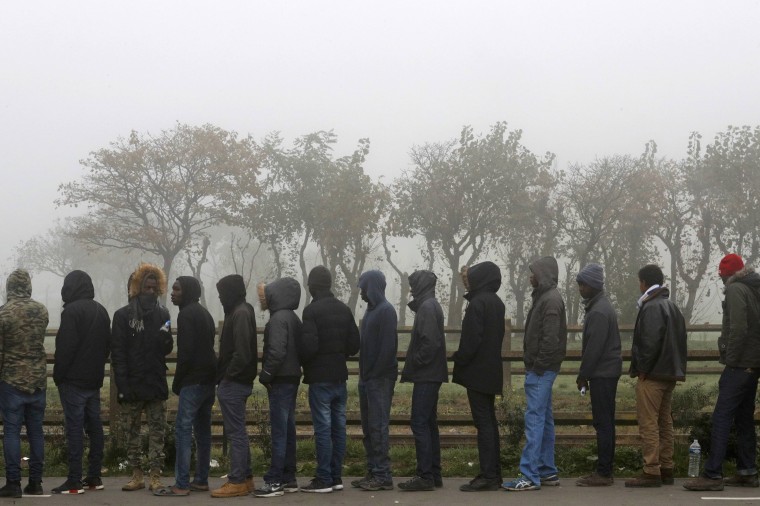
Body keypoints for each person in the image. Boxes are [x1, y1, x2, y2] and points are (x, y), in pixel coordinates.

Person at [685, 254, 760, 491]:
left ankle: (712, 475)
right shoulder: (753, 288)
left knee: (721, 417)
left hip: (740, 364)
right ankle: (747, 471)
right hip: (754, 363)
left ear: (726, 274)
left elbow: (739, 328)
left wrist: (731, 360)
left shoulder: (736, 290)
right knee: (744, 418)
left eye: (720, 275)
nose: (720, 279)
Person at [504, 256, 567, 492]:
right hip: (543, 369)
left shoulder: (550, 301)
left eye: (534, 272)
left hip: (541, 370)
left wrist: (538, 367)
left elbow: (550, 340)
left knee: (534, 420)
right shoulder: (545, 297)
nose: (530, 276)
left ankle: (529, 475)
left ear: (544, 275)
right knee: (545, 420)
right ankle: (547, 470)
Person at [111, 263, 173, 492]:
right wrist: (123, 386)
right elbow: (117, 353)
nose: (150, 291)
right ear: (136, 288)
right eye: (146, 286)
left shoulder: (164, 314)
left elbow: (167, 347)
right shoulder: (122, 316)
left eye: (154, 287)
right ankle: (136, 474)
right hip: (133, 384)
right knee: (131, 432)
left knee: (158, 431)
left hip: (155, 381)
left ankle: (155, 475)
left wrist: (164, 339)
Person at [624, 264, 687, 488]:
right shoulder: (672, 307)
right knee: (664, 422)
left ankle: (651, 470)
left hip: (652, 374)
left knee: (648, 422)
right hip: (670, 373)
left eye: (639, 281)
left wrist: (642, 369)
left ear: (644, 283)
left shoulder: (651, 308)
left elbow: (649, 342)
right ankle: (667, 467)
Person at [299, 266, 360, 493]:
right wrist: (338, 353)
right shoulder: (344, 309)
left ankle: (323, 478)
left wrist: (305, 360)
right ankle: (336, 477)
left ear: (313, 286)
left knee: (323, 429)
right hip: (339, 377)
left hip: (319, 378)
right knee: (338, 429)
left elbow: (308, 346)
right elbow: (354, 344)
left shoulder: (311, 311)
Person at [154, 276, 217, 497]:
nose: (173, 292)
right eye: (173, 288)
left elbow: (186, 353)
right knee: (203, 432)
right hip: (209, 380)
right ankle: (200, 480)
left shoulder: (187, 315)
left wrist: (178, 382)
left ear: (188, 291)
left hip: (193, 380)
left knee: (182, 430)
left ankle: (181, 483)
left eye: (177, 289)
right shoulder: (205, 314)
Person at [52, 270, 111, 494]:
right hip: (94, 380)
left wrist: (59, 375)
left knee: (74, 429)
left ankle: (74, 479)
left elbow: (65, 348)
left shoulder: (71, 312)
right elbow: (108, 346)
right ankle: (94, 477)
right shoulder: (102, 310)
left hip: (73, 381)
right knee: (95, 428)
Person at [453, 261, 505, 492]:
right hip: (491, 370)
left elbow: (471, 341)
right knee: (489, 423)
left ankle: (488, 475)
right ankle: (494, 473)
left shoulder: (477, 304)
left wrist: (459, 358)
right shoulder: (497, 302)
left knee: (483, 423)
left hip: (477, 372)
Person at [0, 269, 49, 498]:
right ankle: (36, 481)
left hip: (11, 381)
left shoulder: (4, 313)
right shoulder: (41, 310)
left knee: (11, 432)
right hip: (38, 381)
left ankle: (13, 482)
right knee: (36, 432)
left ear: (9, 287)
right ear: (28, 286)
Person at [398, 270, 448, 492]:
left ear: (421, 285)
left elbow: (430, 344)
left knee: (419, 422)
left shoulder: (427, 308)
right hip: (432, 373)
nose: (411, 289)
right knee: (429, 423)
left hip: (427, 374)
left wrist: (415, 362)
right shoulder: (431, 305)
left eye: (413, 284)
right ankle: (434, 474)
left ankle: (425, 476)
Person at [254, 277, 304, 498]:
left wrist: (265, 375)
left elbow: (276, 351)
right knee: (289, 429)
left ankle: (274, 480)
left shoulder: (277, 320)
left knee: (279, 431)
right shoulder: (293, 318)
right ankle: (288, 477)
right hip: (292, 377)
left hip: (280, 378)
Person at [574, 264, 622, 487]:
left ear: (592, 285)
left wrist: (583, 375)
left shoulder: (599, 311)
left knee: (602, 423)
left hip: (602, 373)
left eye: (583, 284)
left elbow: (594, 348)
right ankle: (605, 469)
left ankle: (603, 472)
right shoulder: (600, 307)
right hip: (606, 371)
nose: (580, 288)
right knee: (606, 422)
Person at [212, 274, 257, 498]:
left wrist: (228, 377)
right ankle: (246, 478)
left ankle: (237, 480)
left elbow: (242, 353)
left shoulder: (239, 313)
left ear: (231, 293)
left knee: (235, 432)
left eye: (222, 294)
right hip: (238, 381)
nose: (220, 298)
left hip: (235, 382)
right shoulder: (241, 310)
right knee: (238, 431)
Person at [353, 270, 398, 491]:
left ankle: (383, 475)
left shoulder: (386, 311)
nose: (361, 294)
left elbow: (387, 349)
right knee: (368, 428)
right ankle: (372, 470)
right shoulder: (371, 312)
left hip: (379, 380)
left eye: (363, 288)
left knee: (378, 427)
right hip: (367, 378)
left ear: (372, 287)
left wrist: (373, 374)